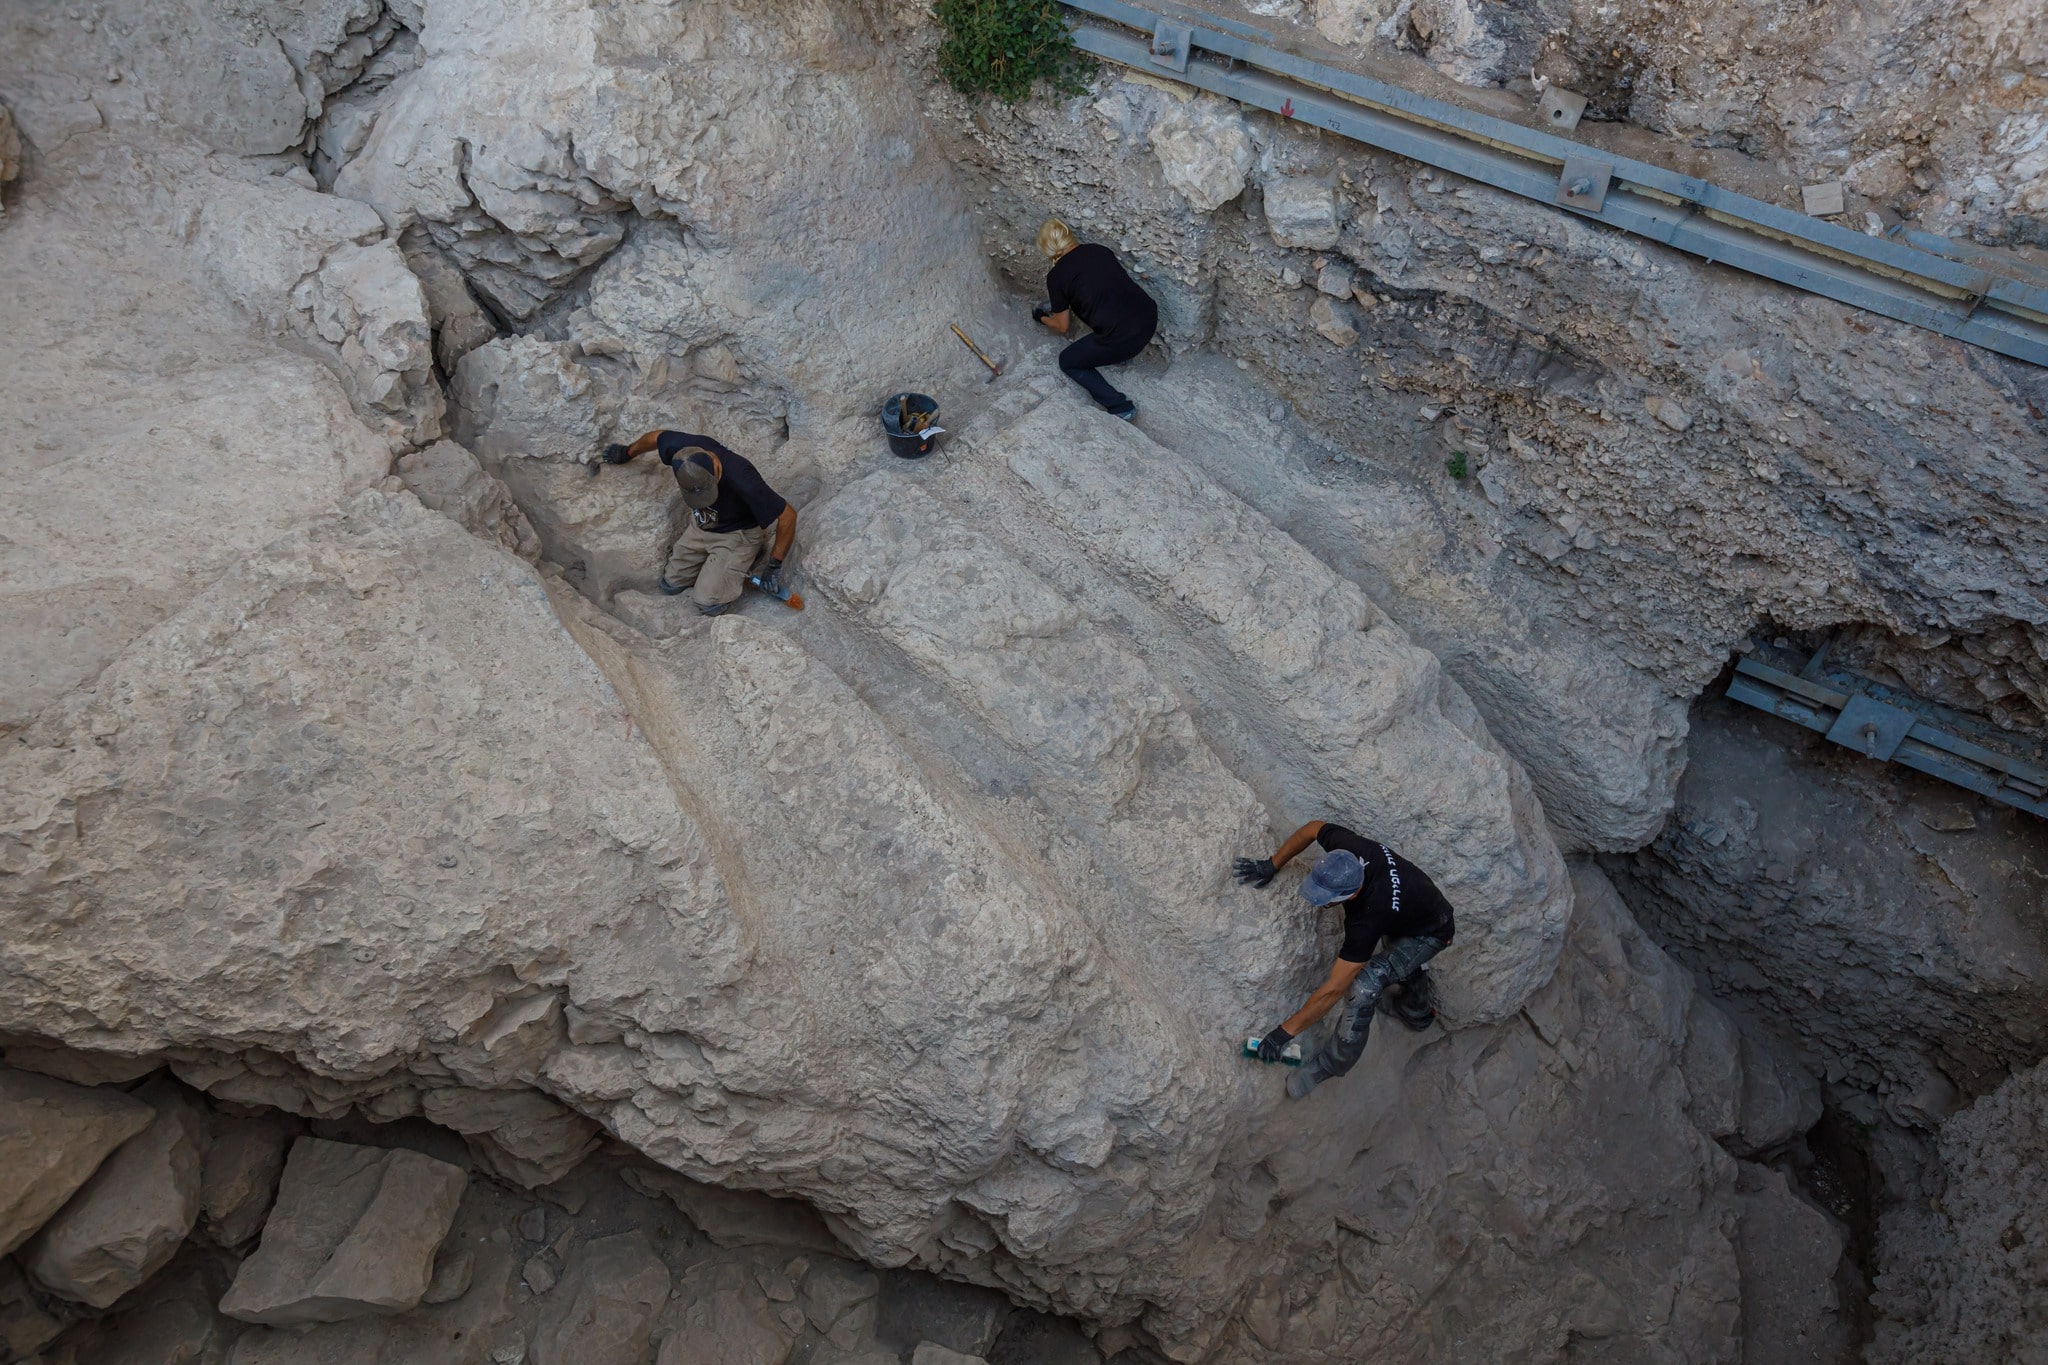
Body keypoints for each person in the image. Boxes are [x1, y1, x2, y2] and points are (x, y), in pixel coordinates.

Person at [1234, 820, 1456, 1099]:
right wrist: (1272, 863)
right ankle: (1415, 1003)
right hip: (1415, 911)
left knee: (1365, 986)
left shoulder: (1368, 919)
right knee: (1395, 953)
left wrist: (1283, 1033)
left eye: (1326, 898)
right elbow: (1311, 829)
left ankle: (1330, 1064)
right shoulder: (1346, 848)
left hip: (1433, 931)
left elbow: (1334, 989)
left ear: (1351, 894)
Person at [601, 429, 796, 616]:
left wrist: (773, 566)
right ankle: (717, 570)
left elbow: (788, 516)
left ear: (716, 466)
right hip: (703, 524)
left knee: (707, 603)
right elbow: (655, 437)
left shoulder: (742, 478)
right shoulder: (679, 449)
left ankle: (742, 561)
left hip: (738, 534)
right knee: (670, 585)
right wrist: (627, 452)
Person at [1031, 217, 1158, 422]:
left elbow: (1062, 326)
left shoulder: (1056, 276)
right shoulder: (1099, 250)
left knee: (1068, 361)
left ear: (1047, 248)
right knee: (1113, 317)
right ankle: (1121, 355)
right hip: (1149, 317)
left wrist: (1043, 317)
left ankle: (1120, 406)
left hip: (1124, 338)